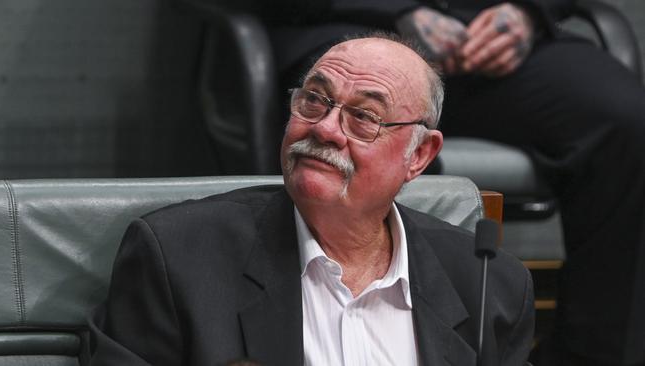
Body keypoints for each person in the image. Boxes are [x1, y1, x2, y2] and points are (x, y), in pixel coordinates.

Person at [190, 0, 645, 364]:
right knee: (373, 142)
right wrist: (392, 11)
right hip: (345, 27)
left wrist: (526, 12)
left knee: (628, 123)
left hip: (489, 43)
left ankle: (590, 354)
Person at [88, 35, 534, 365]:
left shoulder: (489, 285)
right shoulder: (178, 257)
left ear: (418, 155)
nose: (324, 128)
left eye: (364, 117)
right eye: (315, 100)